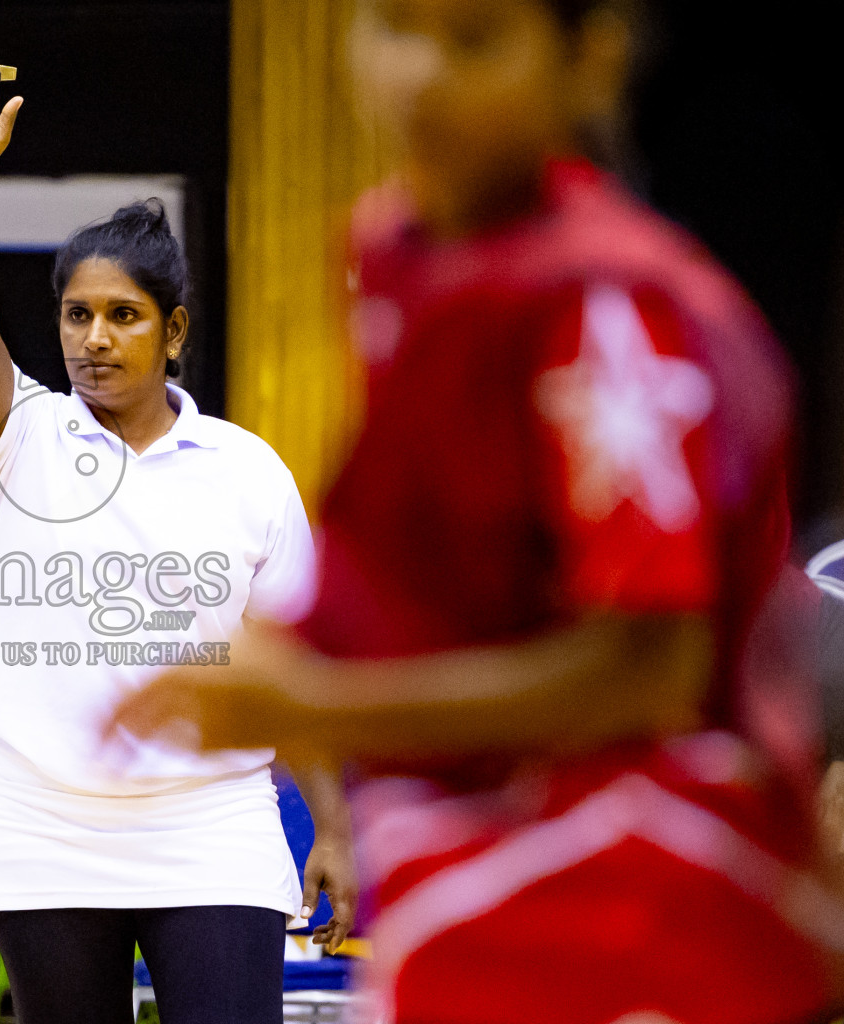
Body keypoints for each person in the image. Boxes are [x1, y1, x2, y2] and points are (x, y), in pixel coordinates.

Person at [109, 0, 844, 1020]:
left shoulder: (610, 298)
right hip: (465, 868)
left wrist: (312, 708)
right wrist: (276, 651)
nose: (421, 76)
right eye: (395, 28)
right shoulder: (392, 252)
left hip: (648, 891)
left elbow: (649, 666)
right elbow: (403, 569)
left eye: (476, 40)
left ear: (591, 60)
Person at [0, 42, 356, 1024]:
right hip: (42, 818)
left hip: (213, 822)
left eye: (122, 315)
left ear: (174, 331)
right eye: (77, 314)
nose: (93, 336)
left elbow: (291, 666)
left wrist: (333, 827)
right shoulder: (19, 437)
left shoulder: (247, 470)